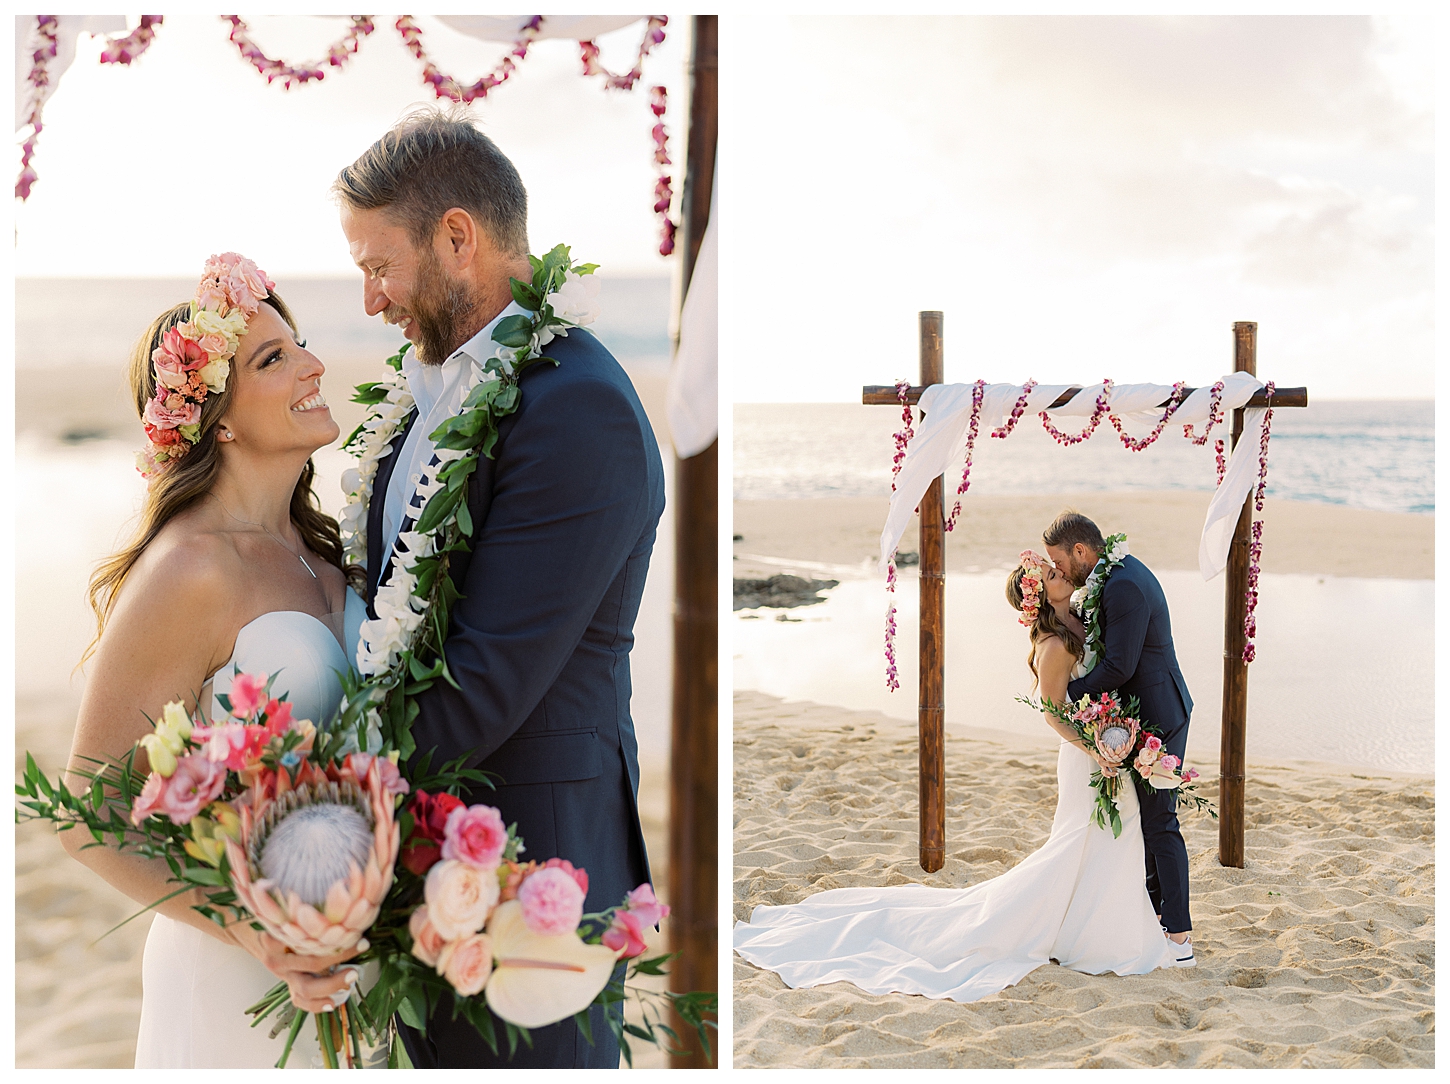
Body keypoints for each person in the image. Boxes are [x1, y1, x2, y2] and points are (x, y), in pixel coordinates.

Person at [334, 106, 665, 1068]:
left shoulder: (578, 409)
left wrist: (315, 800)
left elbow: (481, 684)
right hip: (422, 852)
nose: (370, 300)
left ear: (456, 238)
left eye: (377, 265)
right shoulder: (422, 396)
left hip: (529, 870)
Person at [66, 253, 368, 1068]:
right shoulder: (192, 568)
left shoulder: (325, 554)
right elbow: (90, 809)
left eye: (298, 343)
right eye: (274, 358)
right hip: (239, 976)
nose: (314, 364)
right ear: (219, 422)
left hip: (348, 956)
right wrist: (252, 930)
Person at [731, 546, 1176, 1001]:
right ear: (1040, 593)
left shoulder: (1080, 617)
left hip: (1103, 749)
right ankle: (1092, 936)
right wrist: (1095, 747)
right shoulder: (1055, 645)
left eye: (1055, 567)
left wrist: (1113, 732)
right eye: (1050, 572)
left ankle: (1095, 928)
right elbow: (1052, 714)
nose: (1060, 571)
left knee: (1107, 839)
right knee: (1083, 839)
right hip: (1085, 756)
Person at [1045, 511, 1196, 967]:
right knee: (1144, 821)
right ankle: (1154, 919)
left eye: (1059, 560)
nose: (1060, 569)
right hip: (1140, 715)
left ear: (1081, 552)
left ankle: (1180, 938)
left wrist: (1064, 697)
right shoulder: (1114, 574)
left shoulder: (1122, 585)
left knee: (1160, 824)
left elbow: (1120, 668)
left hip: (1159, 716)